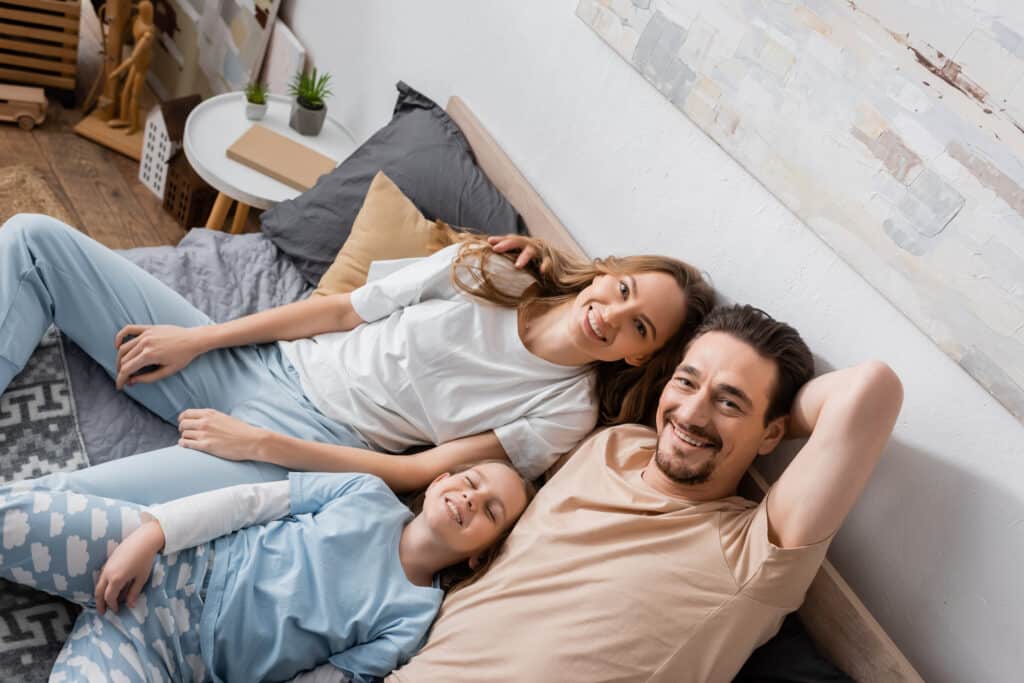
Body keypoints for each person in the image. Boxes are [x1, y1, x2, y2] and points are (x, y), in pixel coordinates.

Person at [0, 213, 714, 505]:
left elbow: (416, 471)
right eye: (622, 290)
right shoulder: (491, 271)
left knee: (58, 508)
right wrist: (200, 338)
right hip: (262, 364)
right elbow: (343, 308)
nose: (613, 314)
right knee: (33, 239)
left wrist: (265, 443)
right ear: (605, 272)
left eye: (639, 326)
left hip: (308, 448)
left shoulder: (566, 410)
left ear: (639, 355)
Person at [380, 304, 903, 683]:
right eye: (687, 382)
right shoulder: (616, 445)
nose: (691, 414)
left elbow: (871, 390)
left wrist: (775, 412)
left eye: (729, 403)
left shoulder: (757, 551)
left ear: (772, 433)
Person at [0, 460, 533, 682]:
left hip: (172, 657)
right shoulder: (365, 492)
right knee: (14, 516)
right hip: (167, 559)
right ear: (442, 477)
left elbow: (324, 680)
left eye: (491, 511)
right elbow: (248, 502)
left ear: (480, 556)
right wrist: (152, 535)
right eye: (471, 480)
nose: (471, 497)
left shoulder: (415, 616)